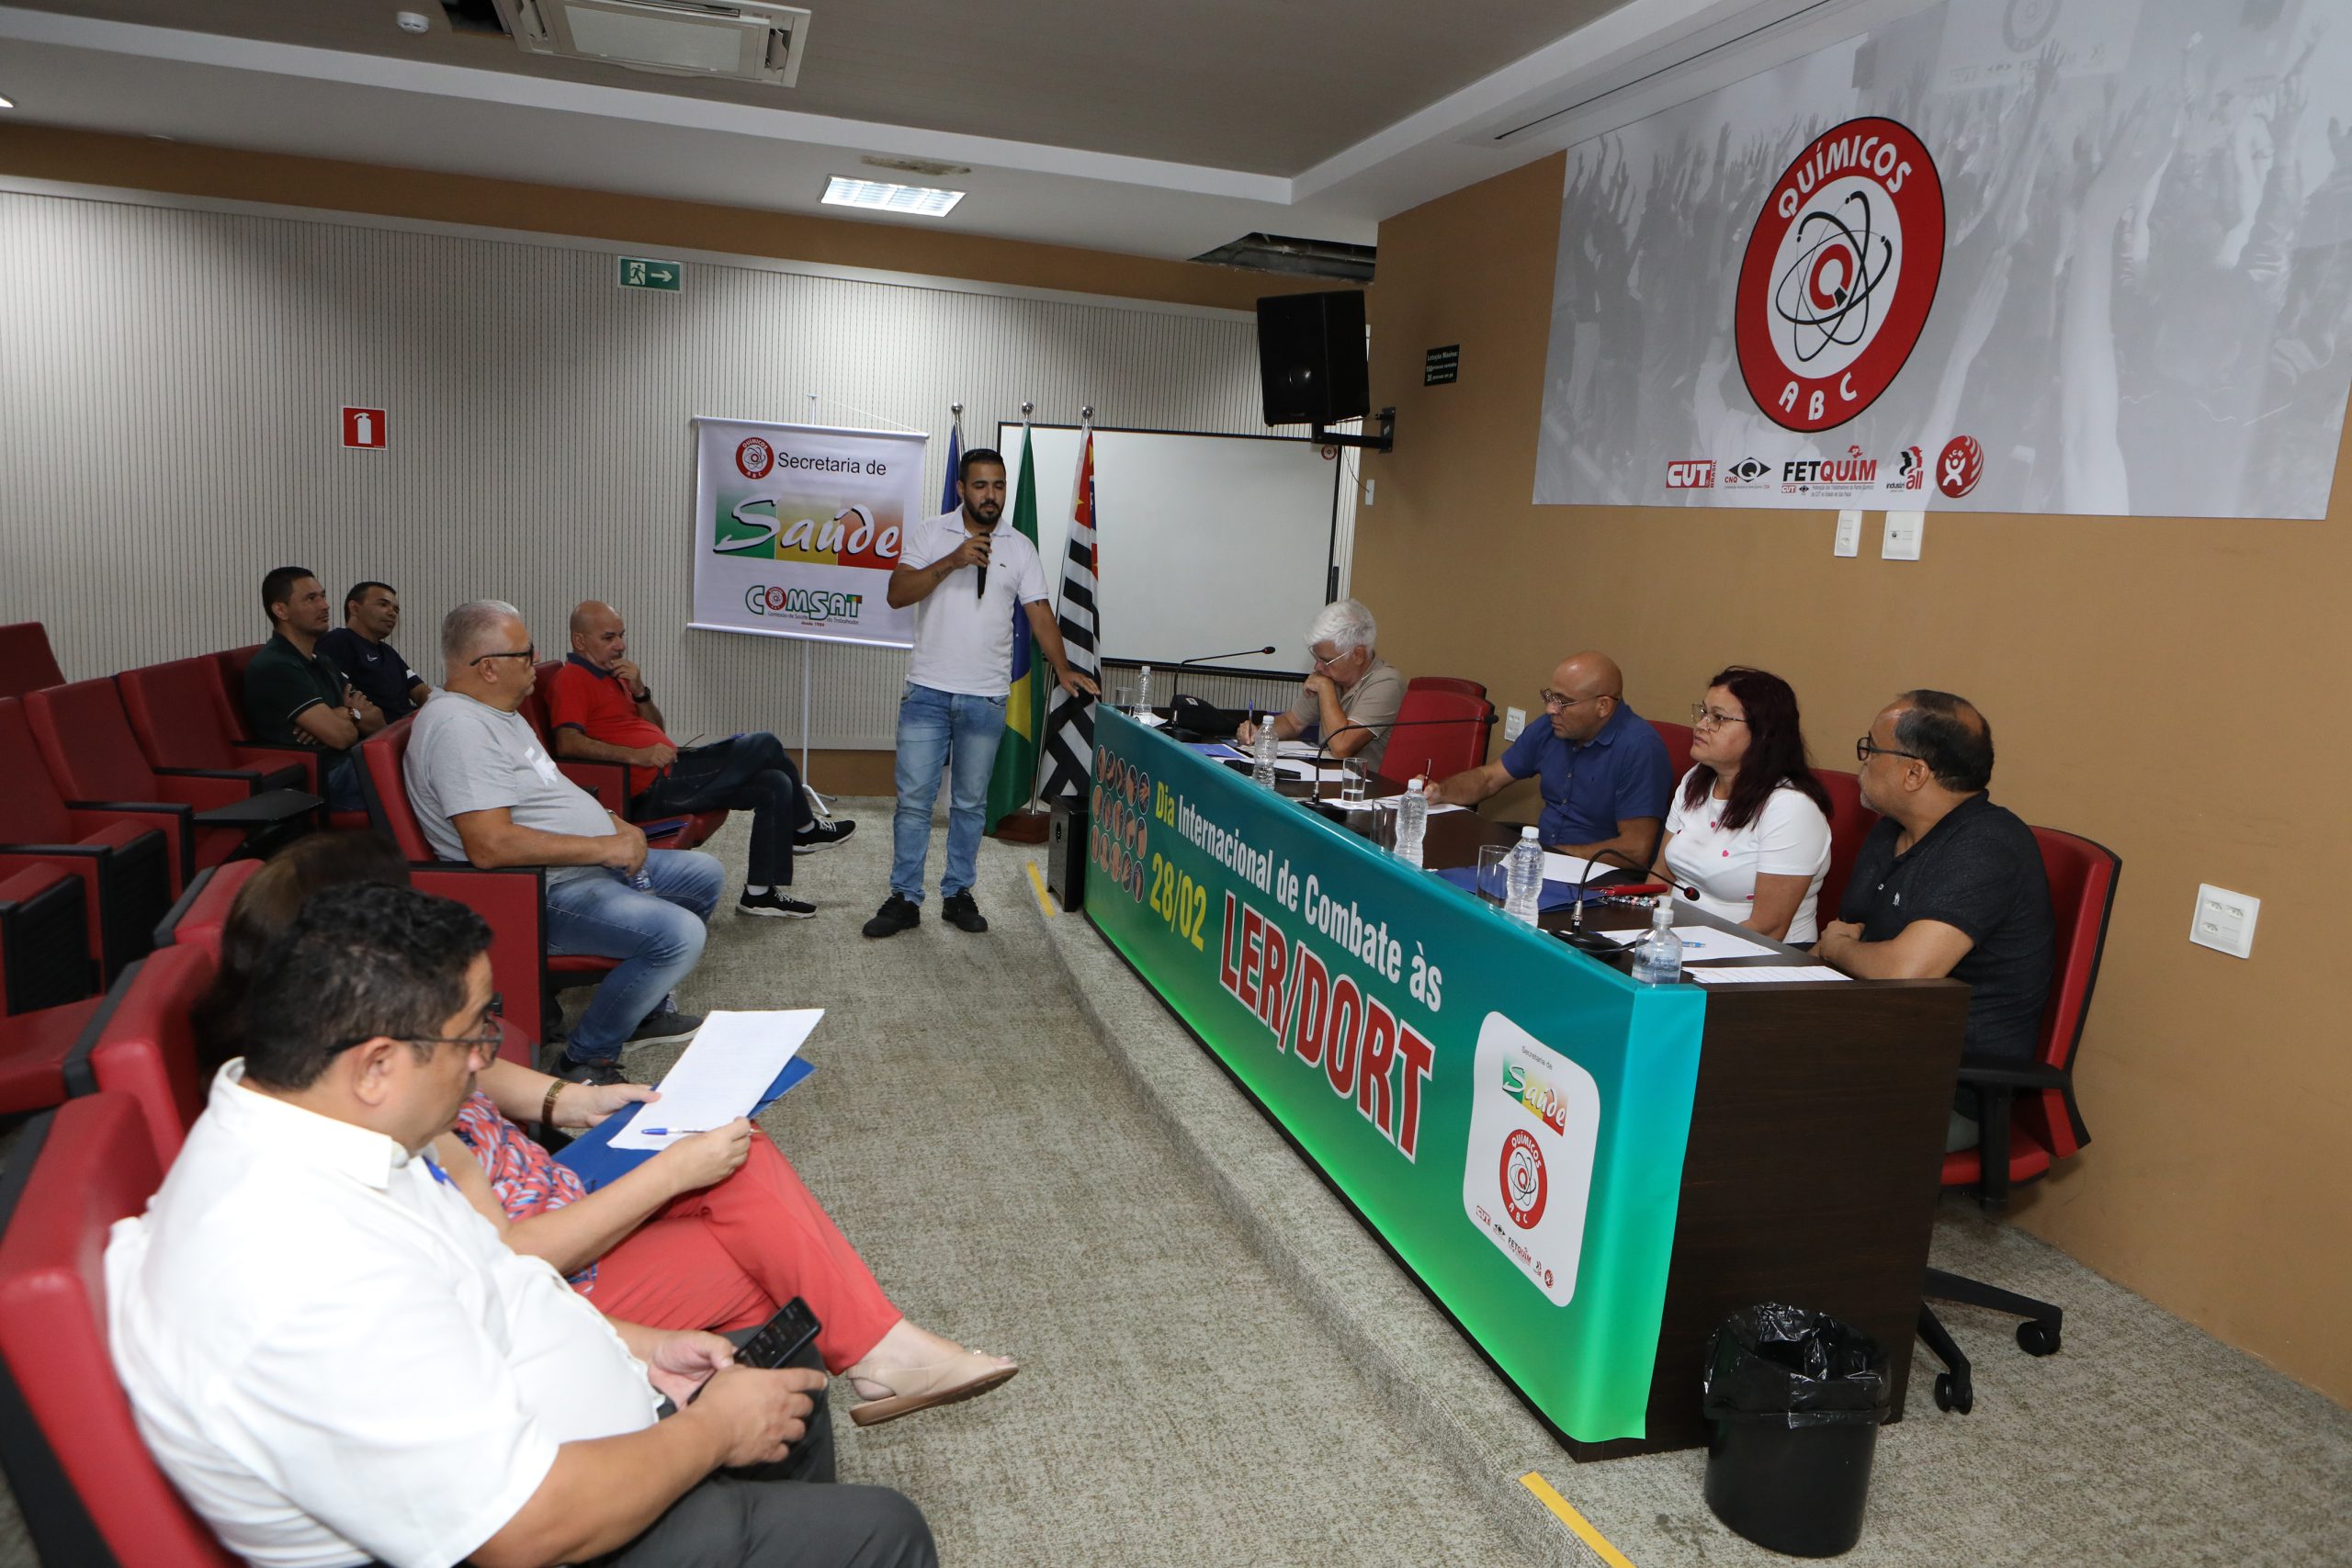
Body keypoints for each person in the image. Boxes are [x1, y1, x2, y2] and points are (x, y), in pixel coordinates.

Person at [110, 883, 935, 1568]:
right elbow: (523, 1528)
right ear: (374, 1066)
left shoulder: (330, 1134)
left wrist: (642, 1351)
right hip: (552, 1527)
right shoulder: (302, 1268)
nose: (484, 1062)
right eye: (473, 1035)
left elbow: (494, 1278)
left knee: (781, 1379)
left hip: (565, 1428)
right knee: (883, 1532)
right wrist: (712, 1433)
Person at [190, 831, 1019, 1428]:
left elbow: (488, 1071)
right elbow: (506, 1271)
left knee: (746, 1177)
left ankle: (879, 1348)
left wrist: (571, 1102)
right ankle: (878, 1352)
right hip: (562, 1277)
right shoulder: (382, 1117)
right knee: (775, 1270)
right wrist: (670, 1174)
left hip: (563, 1187)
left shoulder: (357, 1044)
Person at [407, 599, 719, 1083]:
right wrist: (603, 847)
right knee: (677, 936)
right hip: (541, 891)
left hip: (582, 864)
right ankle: (585, 1058)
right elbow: (489, 846)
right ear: (488, 667)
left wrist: (613, 821)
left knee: (704, 876)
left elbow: (552, 789)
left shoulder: (499, 714)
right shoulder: (459, 730)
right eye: (525, 654)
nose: (535, 663)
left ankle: (646, 1008)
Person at [865, 446, 1097, 939]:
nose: (990, 495)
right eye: (980, 485)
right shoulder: (932, 533)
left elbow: (1040, 615)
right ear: (961, 489)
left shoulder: (1020, 547)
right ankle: (905, 897)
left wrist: (1064, 669)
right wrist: (952, 560)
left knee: (970, 805)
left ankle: (958, 894)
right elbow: (897, 593)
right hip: (927, 692)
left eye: (998, 486)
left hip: (986, 698)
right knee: (913, 802)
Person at [1816, 691, 2053, 1152]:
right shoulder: (1892, 830)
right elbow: (1848, 932)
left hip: (1942, 1089)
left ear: (1914, 772)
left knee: (1759, 1109)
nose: (1861, 762)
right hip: (1866, 1047)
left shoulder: (1986, 846)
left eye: (1871, 748)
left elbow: (1907, 971)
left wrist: (1838, 949)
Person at [548, 600, 854, 922]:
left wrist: (640, 692)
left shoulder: (616, 675)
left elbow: (657, 729)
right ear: (579, 641)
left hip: (671, 772)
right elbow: (567, 743)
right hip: (650, 789)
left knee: (774, 784)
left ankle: (760, 894)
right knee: (764, 743)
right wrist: (637, 755)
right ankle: (804, 829)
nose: (620, 645)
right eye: (609, 638)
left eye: (622, 636)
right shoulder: (572, 679)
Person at [1425, 651, 1673, 866]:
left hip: (1597, 879)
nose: (1551, 709)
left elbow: (1636, 849)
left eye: (1563, 702)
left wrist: (1552, 855)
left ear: (1603, 707)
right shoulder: (1551, 727)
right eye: (1550, 697)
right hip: (1543, 863)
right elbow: (1489, 778)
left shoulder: (1640, 748)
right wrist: (1441, 791)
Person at [1654, 667, 1833, 943]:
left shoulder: (1790, 808)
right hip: (1676, 939)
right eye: (1703, 713)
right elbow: (1660, 876)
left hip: (1755, 957)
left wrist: (1684, 950)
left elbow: (1768, 928)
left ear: (1762, 734)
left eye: (1718, 718)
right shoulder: (1695, 780)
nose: (1701, 725)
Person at [243, 566, 382, 814]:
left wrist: (340, 715)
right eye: (311, 599)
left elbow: (378, 721)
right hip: (323, 778)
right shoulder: (276, 665)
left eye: (323, 596)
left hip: (351, 762)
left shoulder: (321, 659)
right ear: (281, 610)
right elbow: (340, 738)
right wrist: (350, 713)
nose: (325, 605)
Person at [1233, 599, 1405, 771]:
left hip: (1365, 789)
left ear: (1358, 655)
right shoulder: (1329, 675)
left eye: (1326, 660)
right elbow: (1292, 722)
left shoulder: (1387, 682)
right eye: (1316, 659)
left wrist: (1325, 689)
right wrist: (1261, 733)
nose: (1317, 667)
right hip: (1327, 779)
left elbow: (1341, 747)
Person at [318, 579, 432, 720]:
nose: (392, 613)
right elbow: (340, 697)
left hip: (405, 731)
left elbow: (421, 692)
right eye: (383, 604)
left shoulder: (388, 652)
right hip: (373, 736)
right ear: (354, 608)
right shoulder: (339, 641)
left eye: (396, 609)